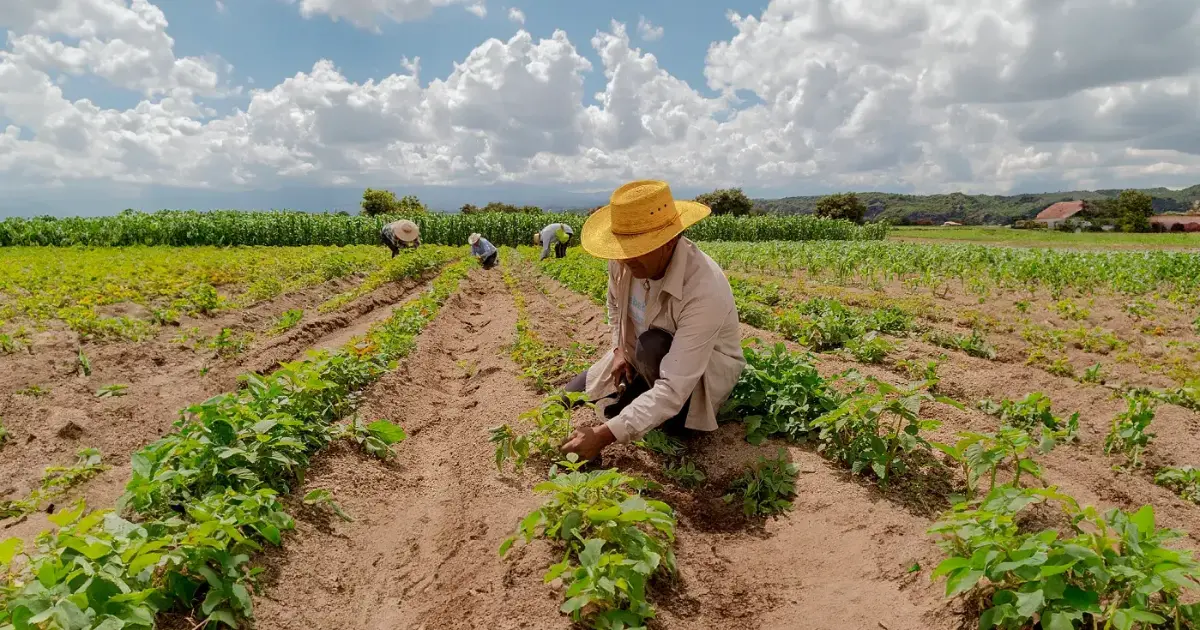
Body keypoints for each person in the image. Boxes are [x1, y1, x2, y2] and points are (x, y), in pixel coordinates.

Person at [559, 180, 746, 461]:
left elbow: (673, 388)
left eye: (637, 248)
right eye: (622, 248)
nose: (625, 259)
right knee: (566, 396)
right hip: (639, 357)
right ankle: (636, 393)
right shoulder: (623, 262)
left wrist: (602, 436)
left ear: (669, 240)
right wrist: (619, 348)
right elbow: (613, 304)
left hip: (693, 376)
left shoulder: (704, 288)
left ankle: (674, 424)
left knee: (652, 345)